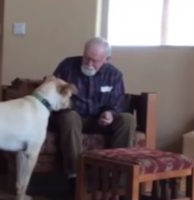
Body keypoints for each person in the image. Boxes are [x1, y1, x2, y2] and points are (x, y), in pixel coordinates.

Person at [49, 37, 136, 186]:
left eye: (94, 60)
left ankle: (114, 176)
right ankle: (74, 176)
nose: (89, 64)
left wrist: (110, 114)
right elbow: (53, 91)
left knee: (128, 119)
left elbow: (118, 103)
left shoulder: (114, 75)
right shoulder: (67, 66)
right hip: (73, 117)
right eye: (86, 58)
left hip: (99, 120)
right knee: (69, 117)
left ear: (106, 59)